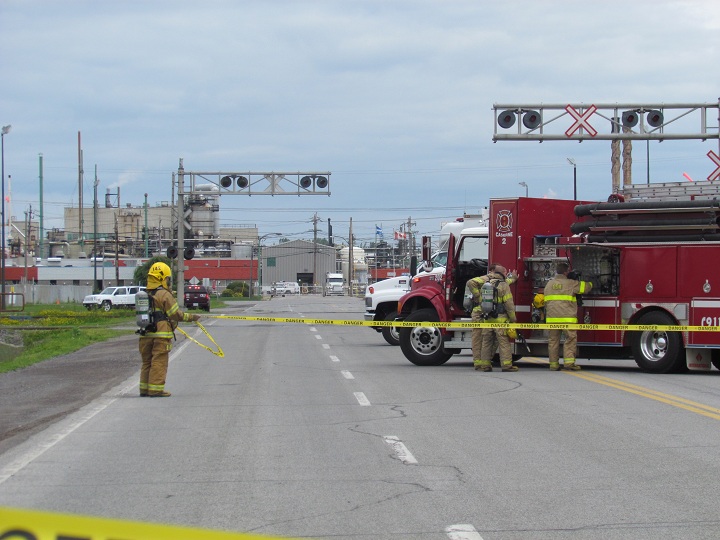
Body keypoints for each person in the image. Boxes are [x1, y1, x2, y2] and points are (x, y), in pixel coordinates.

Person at [139, 262, 201, 397]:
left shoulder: (144, 295)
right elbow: (176, 314)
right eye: (167, 278)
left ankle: (144, 389)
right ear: (162, 278)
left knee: (147, 362)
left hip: (145, 334)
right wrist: (192, 317)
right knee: (159, 361)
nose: (167, 281)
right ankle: (155, 389)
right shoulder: (164, 295)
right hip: (160, 335)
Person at [468, 264, 519, 372]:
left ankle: (485, 365)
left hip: (487, 318)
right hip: (500, 319)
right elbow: (509, 303)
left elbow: (483, 301)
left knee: (486, 342)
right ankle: (506, 365)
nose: (506, 274)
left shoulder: (487, 284)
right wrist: (513, 318)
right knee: (504, 342)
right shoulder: (504, 285)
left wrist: (513, 279)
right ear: (501, 273)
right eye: (505, 273)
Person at [543, 261, 593, 371]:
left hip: (552, 318)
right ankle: (569, 364)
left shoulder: (549, 284)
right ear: (566, 272)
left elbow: (545, 301)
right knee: (570, 339)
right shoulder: (571, 283)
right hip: (567, 318)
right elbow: (586, 288)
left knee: (553, 341)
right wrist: (591, 281)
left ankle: (553, 364)